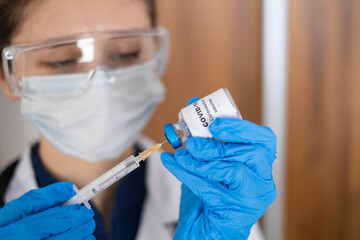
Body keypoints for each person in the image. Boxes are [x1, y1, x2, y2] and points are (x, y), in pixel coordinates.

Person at [0, 0, 277, 239]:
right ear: (6, 75)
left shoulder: (216, 208)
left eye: (126, 53)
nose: (102, 87)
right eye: (62, 60)